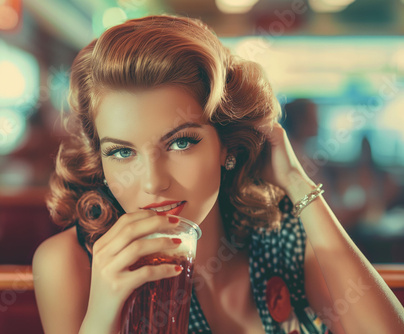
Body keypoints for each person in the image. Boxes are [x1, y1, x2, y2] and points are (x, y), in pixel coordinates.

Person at [32, 14, 404, 334]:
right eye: (122, 152)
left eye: (180, 143)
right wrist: (101, 318)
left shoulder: (283, 233)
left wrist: (297, 182)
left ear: (226, 143)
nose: (152, 182)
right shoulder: (69, 263)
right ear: (101, 158)